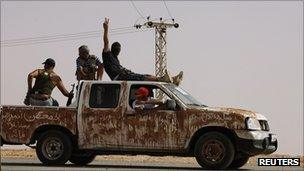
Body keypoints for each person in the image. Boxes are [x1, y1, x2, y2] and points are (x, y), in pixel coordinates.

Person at [102, 18, 183, 85]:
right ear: (112, 48)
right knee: (142, 78)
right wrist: (106, 29)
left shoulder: (115, 59)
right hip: (119, 77)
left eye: (119, 49)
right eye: (117, 48)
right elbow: (106, 42)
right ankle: (165, 80)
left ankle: (172, 79)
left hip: (124, 74)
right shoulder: (107, 54)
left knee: (146, 76)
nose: (118, 50)